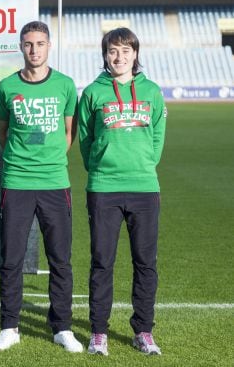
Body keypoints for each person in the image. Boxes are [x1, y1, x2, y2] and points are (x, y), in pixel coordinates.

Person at [0, 21, 83, 353]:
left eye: (40, 44)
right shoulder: (6, 87)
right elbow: (3, 133)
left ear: (49, 46)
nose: (34, 50)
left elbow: (68, 134)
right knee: (11, 259)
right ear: (21, 46)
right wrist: (23, 159)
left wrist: (49, 159)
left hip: (55, 183)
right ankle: (9, 326)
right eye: (28, 44)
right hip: (16, 182)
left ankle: (62, 327)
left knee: (60, 259)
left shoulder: (65, 85)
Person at [78, 27, 166, 356]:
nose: (119, 57)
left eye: (125, 51)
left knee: (146, 263)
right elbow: (86, 141)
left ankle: (143, 330)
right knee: (102, 262)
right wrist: (103, 166)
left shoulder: (152, 92)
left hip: (144, 187)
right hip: (104, 188)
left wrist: (142, 164)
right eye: (113, 51)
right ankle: (99, 331)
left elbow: (157, 137)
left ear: (135, 54)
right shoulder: (92, 92)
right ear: (105, 55)